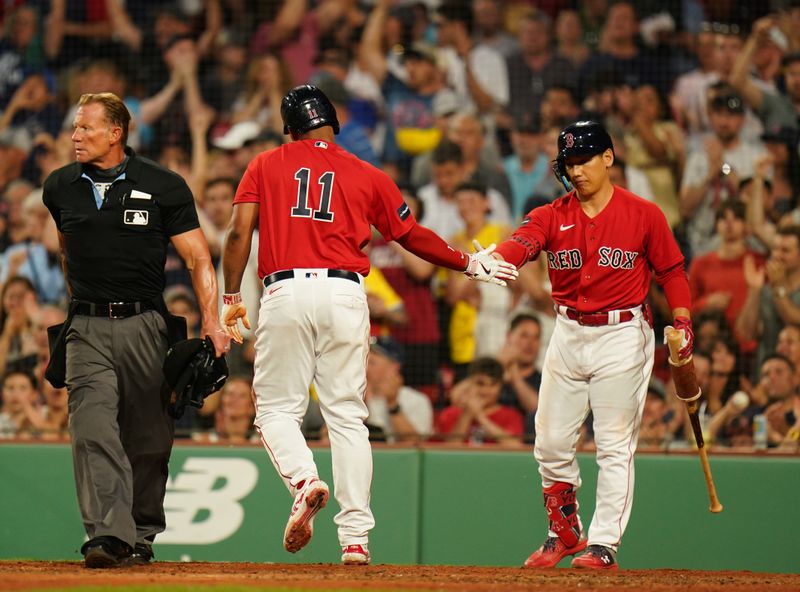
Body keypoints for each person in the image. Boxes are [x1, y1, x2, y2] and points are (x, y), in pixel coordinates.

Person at [221, 85, 516, 566]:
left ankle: (304, 481)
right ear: (332, 125)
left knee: (276, 410)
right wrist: (467, 262)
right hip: (345, 292)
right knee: (347, 417)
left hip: (286, 289)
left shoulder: (265, 163)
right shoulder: (366, 172)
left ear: (288, 128)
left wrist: (232, 295)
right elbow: (410, 235)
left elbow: (238, 232)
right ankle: (355, 539)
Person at [483, 121, 693, 569]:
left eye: (583, 161)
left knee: (614, 443)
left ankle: (603, 544)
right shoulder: (550, 214)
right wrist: (493, 259)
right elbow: (523, 243)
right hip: (568, 332)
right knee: (551, 442)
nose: (576, 171)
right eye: (569, 163)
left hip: (621, 333)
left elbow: (672, 272)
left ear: (608, 158)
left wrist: (682, 320)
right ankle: (564, 532)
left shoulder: (644, 213)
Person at [41, 92, 230, 568]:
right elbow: (67, 252)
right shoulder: (59, 186)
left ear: (116, 132)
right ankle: (109, 535)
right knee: (92, 428)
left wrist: (212, 320)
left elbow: (197, 257)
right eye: (75, 128)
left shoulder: (163, 185)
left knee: (149, 437)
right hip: (85, 325)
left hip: (146, 322)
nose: (75, 136)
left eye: (85, 128)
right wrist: (78, 305)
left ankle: (141, 532)